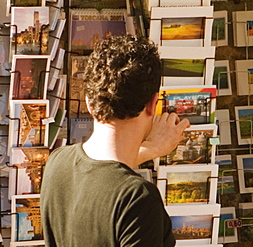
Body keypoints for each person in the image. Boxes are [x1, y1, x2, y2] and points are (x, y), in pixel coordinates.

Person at [40, 35, 190, 247]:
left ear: (89, 103)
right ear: (153, 104)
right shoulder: (138, 199)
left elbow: (100, 177)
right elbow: (110, 181)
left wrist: (150, 149)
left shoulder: (57, 163)